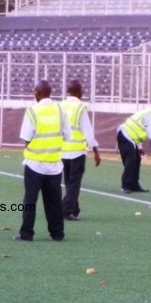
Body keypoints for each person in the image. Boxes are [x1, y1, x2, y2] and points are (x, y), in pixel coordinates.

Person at [14, 80, 71, 242]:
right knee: (54, 202)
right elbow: (68, 136)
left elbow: (26, 137)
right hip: (54, 165)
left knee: (30, 200)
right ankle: (57, 233)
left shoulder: (32, 111)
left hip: (35, 163)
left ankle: (27, 233)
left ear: (37, 93)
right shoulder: (61, 110)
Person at [59, 80, 100, 221]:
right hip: (77, 150)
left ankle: (74, 209)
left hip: (63, 150)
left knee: (68, 182)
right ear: (77, 92)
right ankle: (66, 209)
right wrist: (95, 150)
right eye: (81, 90)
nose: (83, 93)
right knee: (75, 183)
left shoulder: (60, 105)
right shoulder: (80, 107)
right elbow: (87, 130)